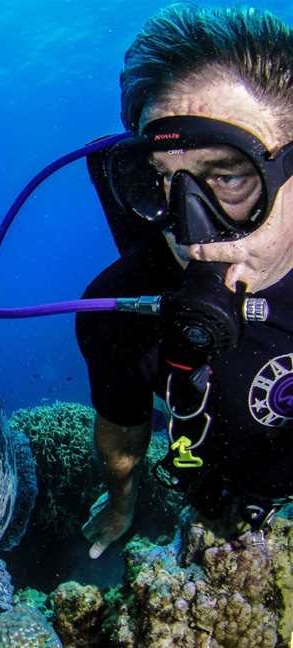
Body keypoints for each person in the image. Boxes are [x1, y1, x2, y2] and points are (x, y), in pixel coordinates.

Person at [76, 5, 293, 559]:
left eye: (229, 176)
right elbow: (122, 430)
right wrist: (121, 504)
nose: (191, 238)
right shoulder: (116, 309)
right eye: (162, 180)